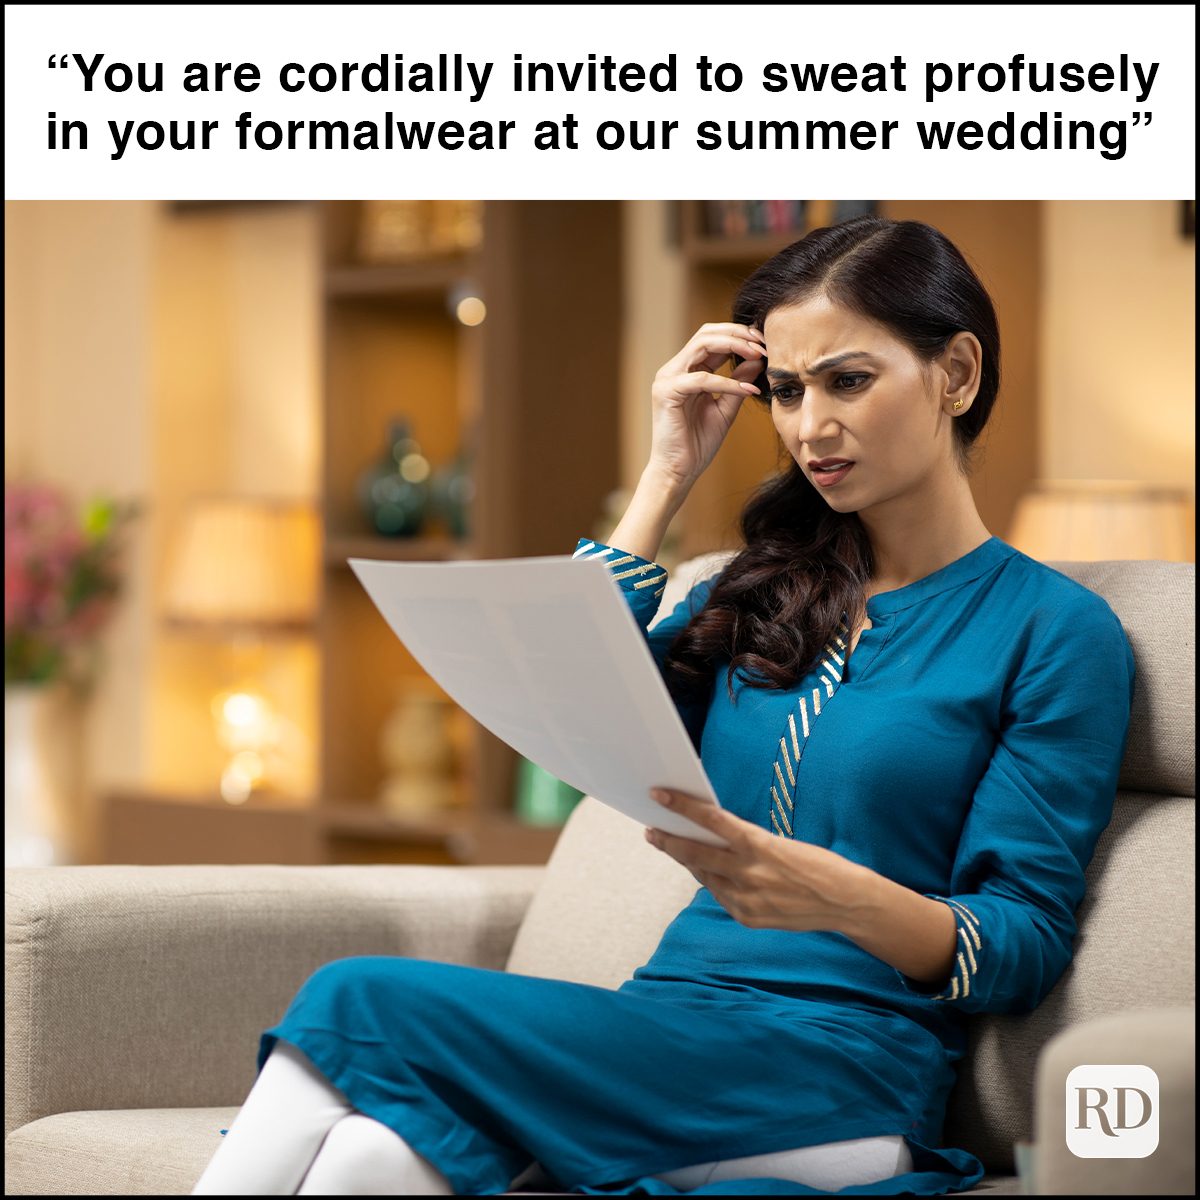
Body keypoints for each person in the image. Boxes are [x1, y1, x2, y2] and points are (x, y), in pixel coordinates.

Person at [192, 215, 1135, 1196]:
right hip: (670, 1032)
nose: (810, 425)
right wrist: (665, 475)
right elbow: (565, 719)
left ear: (958, 373)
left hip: (841, 1068)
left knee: (355, 998)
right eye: (785, 388)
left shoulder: (1054, 631)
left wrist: (839, 897)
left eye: (847, 380)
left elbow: (1021, 942)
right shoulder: (757, 590)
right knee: (366, 1155)